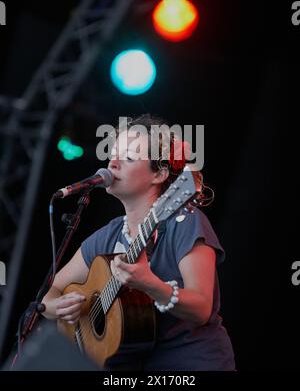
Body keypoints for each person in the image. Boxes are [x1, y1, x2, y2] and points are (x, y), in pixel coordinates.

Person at [41, 114, 235, 371]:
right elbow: (51, 291)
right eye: (114, 153)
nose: (114, 162)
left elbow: (201, 307)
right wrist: (56, 307)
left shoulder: (185, 222)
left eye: (129, 158)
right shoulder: (106, 237)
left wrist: (151, 284)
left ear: (160, 174)